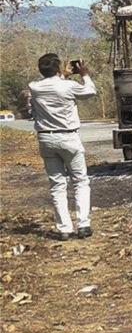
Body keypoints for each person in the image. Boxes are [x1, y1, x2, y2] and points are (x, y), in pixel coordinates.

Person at [29, 54, 97, 240]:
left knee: (57, 184)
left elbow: (51, 86)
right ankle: (83, 224)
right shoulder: (68, 86)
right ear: (58, 68)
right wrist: (84, 74)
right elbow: (90, 91)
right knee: (80, 181)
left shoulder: (34, 87)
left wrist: (63, 75)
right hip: (68, 137)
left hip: (46, 139)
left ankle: (64, 228)